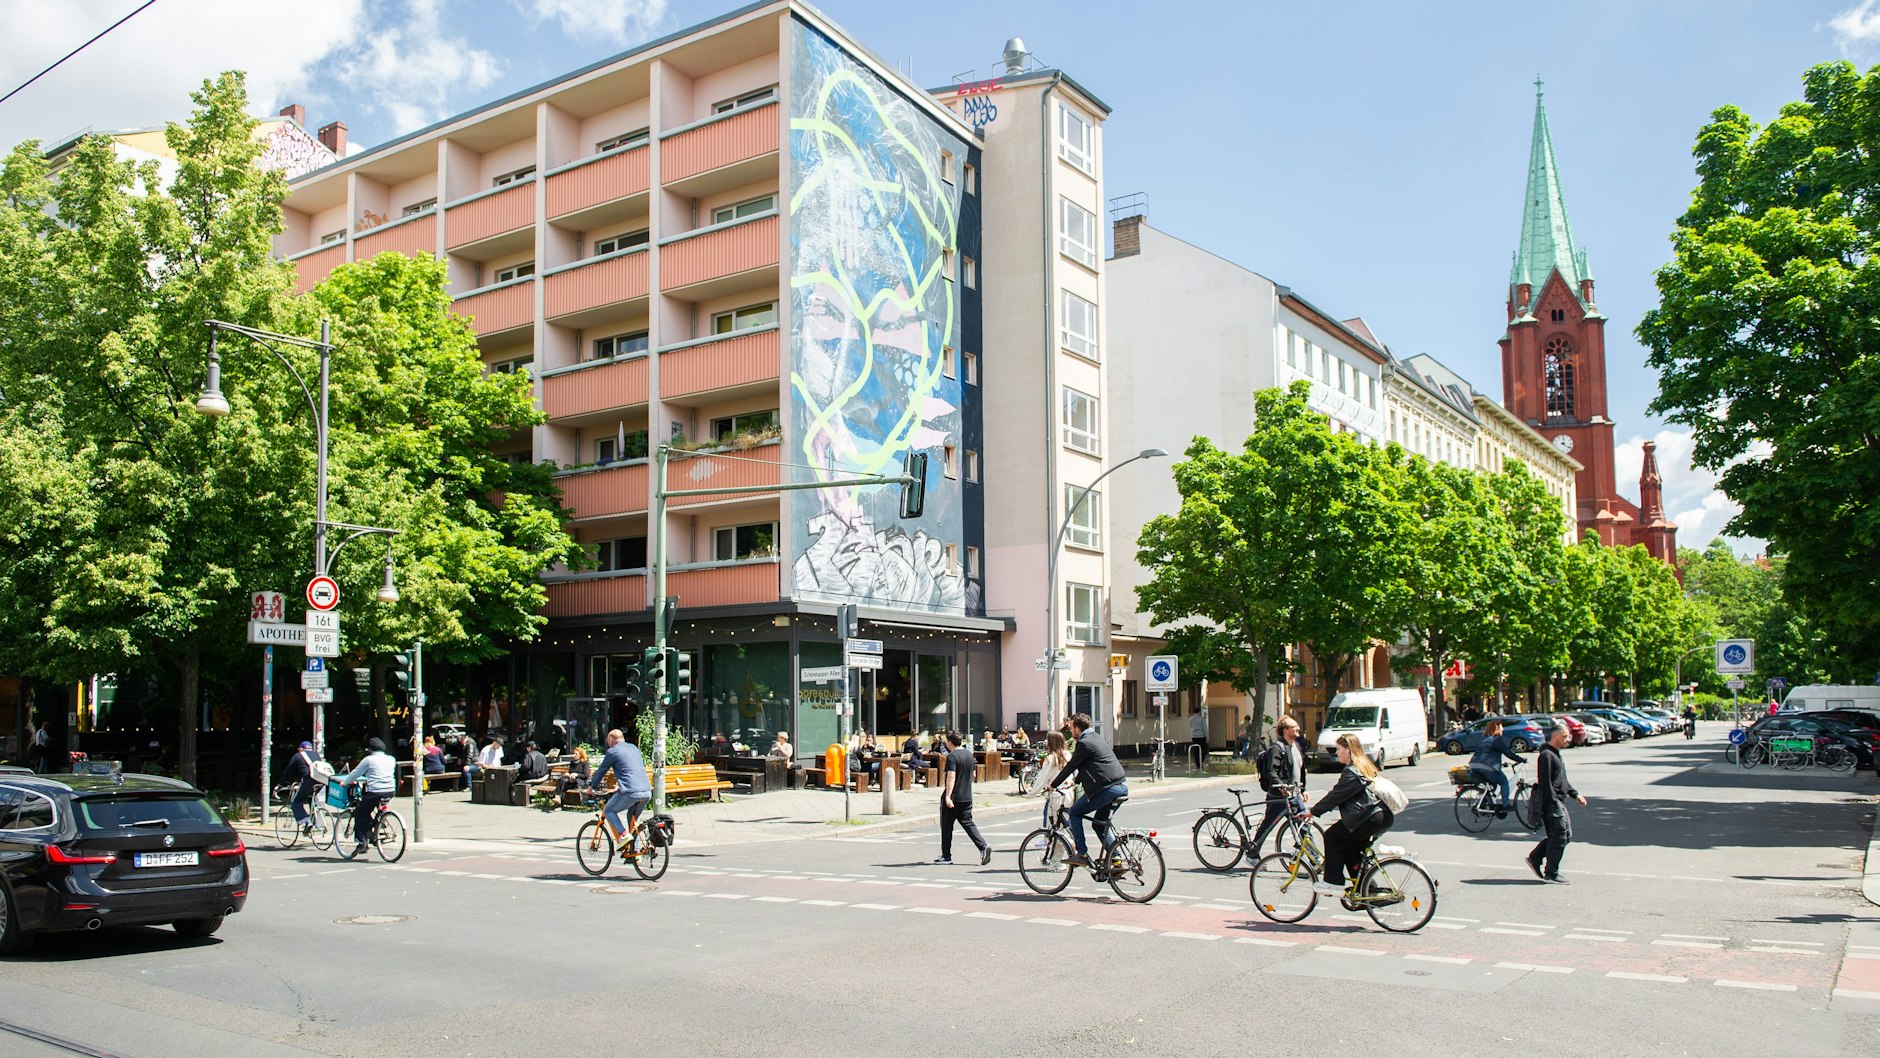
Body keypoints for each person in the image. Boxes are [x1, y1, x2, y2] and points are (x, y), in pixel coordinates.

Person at [1303, 733, 1392, 895]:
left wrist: (1313, 811)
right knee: (1351, 851)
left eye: (1338, 749)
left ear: (1349, 751)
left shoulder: (1352, 771)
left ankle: (1333, 882)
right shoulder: (1364, 766)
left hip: (1369, 818)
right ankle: (1367, 889)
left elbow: (1336, 795)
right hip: (1379, 816)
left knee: (1332, 836)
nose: (1336, 753)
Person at [1047, 714, 1128, 868]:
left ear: (1078, 728)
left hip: (1107, 789)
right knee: (1099, 824)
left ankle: (1081, 854)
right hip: (1121, 786)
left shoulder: (1084, 743)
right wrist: (1074, 782)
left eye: (1071, 727)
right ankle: (1116, 860)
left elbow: (1072, 765)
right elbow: (1090, 765)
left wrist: (1053, 785)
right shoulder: (1096, 738)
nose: (1070, 731)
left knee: (1075, 813)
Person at [1527, 723, 1585, 883]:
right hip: (1551, 803)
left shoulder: (1556, 754)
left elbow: (1561, 780)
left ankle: (1535, 857)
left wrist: (1575, 794)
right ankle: (1551, 873)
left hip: (1559, 801)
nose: (1568, 739)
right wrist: (1553, 804)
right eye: (1565, 736)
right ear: (1556, 736)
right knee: (1559, 836)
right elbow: (1545, 783)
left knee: (1564, 836)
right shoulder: (1546, 755)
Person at [1249, 715, 1308, 855]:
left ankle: (1314, 858)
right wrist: (1281, 786)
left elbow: (1300, 770)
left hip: (1295, 795)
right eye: (1294, 727)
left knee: (1303, 827)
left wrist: (1303, 788)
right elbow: (1272, 771)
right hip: (1279, 796)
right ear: (1286, 730)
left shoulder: (1296, 746)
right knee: (1268, 826)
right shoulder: (1277, 748)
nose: (1298, 728)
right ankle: (1252, 853)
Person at [588, 728, 652, 852]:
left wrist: (591, 787)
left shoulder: (613, 751)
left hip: (630, 791)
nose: (608, 743)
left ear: (611, 740)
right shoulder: (634, 748)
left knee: (608, 810)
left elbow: (602, 770)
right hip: (646, 791)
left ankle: (623, 835)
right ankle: (636, 852)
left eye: (608, 741)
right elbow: (630, 768)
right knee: (632, 819)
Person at [935, 731, 991, 865]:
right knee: (968, 823)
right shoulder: (969, 755)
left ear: (950, 742)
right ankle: (983, 846)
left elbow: (951, 776)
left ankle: (946, 856)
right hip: (966, 796)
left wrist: (948, 796)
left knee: (947, 826)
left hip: (954, 797)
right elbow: (974, 775)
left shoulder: (952, 757)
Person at [342, 737, 396, 857]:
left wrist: (345, 782)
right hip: (390, 790)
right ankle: (375, 828)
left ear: (370, 749)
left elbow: (356, 773)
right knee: (371, 808)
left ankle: (362, 843)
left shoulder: (369, 760)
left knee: (360, 814)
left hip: (375, 791)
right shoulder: (391, 759)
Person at [1467, 718, 1525, 818]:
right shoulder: (1496, 739)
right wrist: (1520, 759)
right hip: (1486, 766)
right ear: (1497, 728)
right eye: (1501, 728)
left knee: (1492, 785)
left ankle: (1483, 804)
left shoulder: (1485, 739)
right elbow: (1508, 752)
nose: (1503, 730)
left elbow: (1486, 753)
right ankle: (1505, 805)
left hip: (1474, 765)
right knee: (1503, 781)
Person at [1031, 730, 1073, 825]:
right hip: (1068, 794)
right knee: (1066, 825)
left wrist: (1031, 794)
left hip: (1055, 795)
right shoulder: (1068, 755)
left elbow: (1042, 779)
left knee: (1051, 826)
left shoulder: (1050, 759)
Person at [283, 740, 322, 833]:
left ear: (301, 749)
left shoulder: (298, 755)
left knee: (296, 802)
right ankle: (315, 822)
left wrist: (280, 784)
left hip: (308, 780)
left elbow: (288, 771)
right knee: (311, 798)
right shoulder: (316, 755)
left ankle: (307, 822)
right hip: (321, 781)